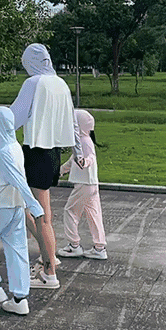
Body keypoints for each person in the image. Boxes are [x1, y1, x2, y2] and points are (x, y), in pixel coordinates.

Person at [0, 44, 84, 289]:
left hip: (36, 151)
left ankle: (49, 272)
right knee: (30, 210)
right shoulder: (61, 84)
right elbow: (73, 121)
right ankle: (48, 256)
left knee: (38, 214)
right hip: (53, 153)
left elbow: (10, 119)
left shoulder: (34, 83)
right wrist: (79, 152)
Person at [0, 106, 45, 315]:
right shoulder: (14, 147)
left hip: (0, 207)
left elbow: (17, 179)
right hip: (15, 207)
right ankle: (20, 299)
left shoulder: (5, 151)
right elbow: (6, 168)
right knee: (17, 250)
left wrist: (34, 205)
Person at [58, 110, 107, 260]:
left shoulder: (83, 141)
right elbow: (73, 159)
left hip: (84, 184)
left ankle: (74, 246)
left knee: (70, 211)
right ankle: (99, 248)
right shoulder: (84, 140)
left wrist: (85, 162)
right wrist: (60, 171)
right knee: (93, 214)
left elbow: (89, 157)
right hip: (90, 184)